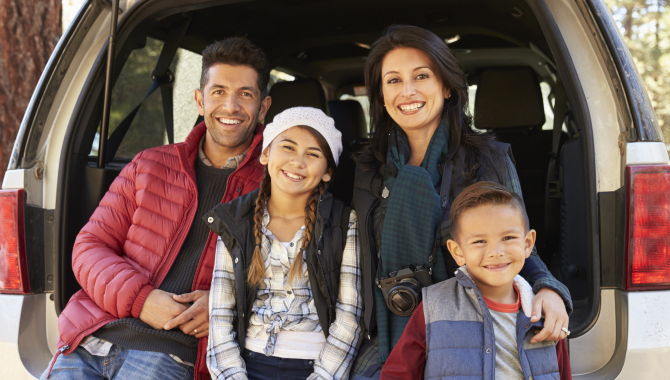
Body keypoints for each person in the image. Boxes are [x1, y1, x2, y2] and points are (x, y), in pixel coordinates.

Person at [40, 37, 273, 380]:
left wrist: (226, 306)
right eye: (219, 91)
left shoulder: (276, 184)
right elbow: (89, 247)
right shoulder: (149, 164)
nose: (231, 106)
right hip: (93, 337)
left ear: (263, 107)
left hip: (172, 352)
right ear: (199, 100)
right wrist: (141, 300)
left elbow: (294, 277)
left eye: (246, 94)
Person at [349, 25, 573, 379]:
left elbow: (516, 243)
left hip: (471, 329)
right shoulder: (368, 168)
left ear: (447, 85)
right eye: (392, 80)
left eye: (421, 76)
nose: (407, 91)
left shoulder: (490, 160)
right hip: (389, 329)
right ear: (380, 93)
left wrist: (549, 288)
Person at [205, 107, 362, 380]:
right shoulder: (235, 220)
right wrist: (232, 375)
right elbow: (219, 317)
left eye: (313, 154)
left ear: (327, 172)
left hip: (316, 366)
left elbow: (350, 317)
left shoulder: (345, 223)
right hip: (247, 364)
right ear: (265, 154)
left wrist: (323, 376)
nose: (298, 161)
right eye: (287, 147)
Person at [380, 182, 572, 380]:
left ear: (528, 244)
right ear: (458, 252)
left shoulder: (545, 313)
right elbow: (397, 374)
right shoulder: (433, 307)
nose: (496, 252)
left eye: (508, 237)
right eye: (480, 241)